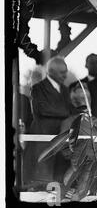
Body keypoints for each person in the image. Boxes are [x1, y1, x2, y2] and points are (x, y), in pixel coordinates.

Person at [23, 57, 73, 189]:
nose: (65, 75)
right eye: (62, 72)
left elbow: (70, 109)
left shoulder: (65, 89)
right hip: (43, 137)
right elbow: (42, 110)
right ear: (50, 71)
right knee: (42, 178)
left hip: (60, 137)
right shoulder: (38, 88)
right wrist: (66, 114)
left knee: (58, 177)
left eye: (66, 72)